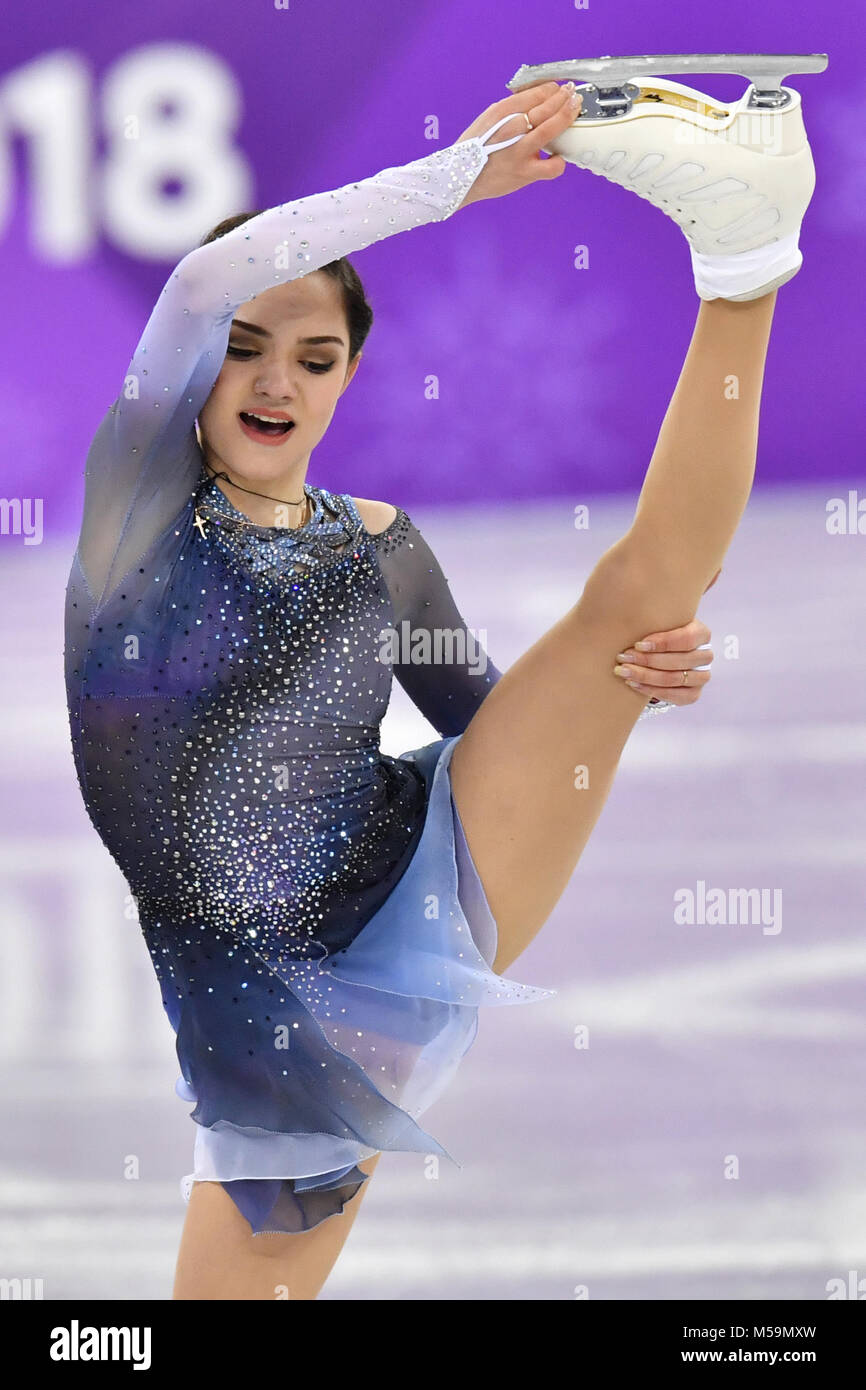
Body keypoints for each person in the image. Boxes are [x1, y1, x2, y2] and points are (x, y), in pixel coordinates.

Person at [64, 76, 807, 1300]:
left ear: (350, 379)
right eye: (245, 348)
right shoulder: (134, 513)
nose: (275, 381)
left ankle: (744, 253)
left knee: (633, 606)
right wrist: (439, 184)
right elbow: (201, 281)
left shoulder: (379, 542)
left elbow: (493, 726)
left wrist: (629, 681)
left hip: (424, 888)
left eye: (315, 357)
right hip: (281, 1022)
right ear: (193, 368)